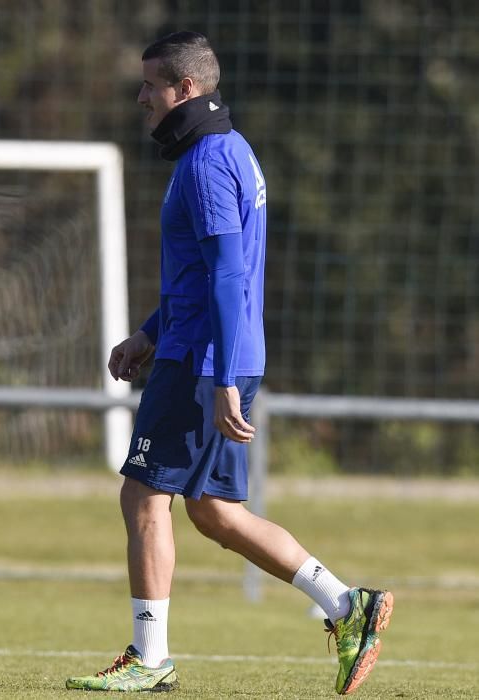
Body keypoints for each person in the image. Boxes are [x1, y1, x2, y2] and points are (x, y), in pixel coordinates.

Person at [65, 32, 393, 695]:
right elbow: (202, 282)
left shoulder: (210, 162)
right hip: (203, 351)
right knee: (214, 510)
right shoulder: (227, 151)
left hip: (204, 362)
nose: (141, 97)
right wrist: (149, 334)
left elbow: (227, 276)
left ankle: (150, 658)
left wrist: (217, 377)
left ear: (186, 89)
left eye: (151, 84)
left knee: (143, 494)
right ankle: (347, 605)